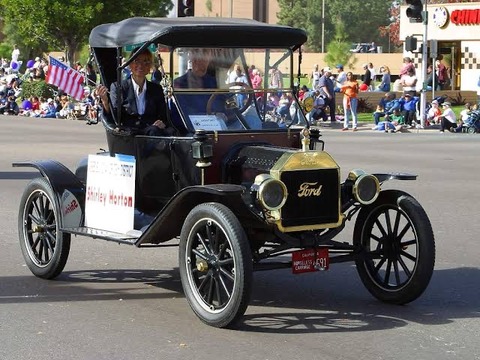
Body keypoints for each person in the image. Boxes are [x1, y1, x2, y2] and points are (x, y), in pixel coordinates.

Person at [97, 47, 171, 136]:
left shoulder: (156, 89)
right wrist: (105, 102)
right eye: (137, 61)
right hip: (128, 136)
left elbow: (163, 116)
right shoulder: (118, 87)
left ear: (149, 68)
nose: (141, 65)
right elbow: (114, 117)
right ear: (130, 65)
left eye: (146, 62)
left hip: (151, 135)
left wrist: (162, 123)